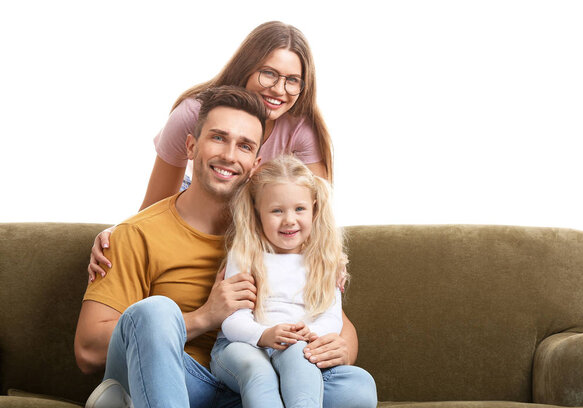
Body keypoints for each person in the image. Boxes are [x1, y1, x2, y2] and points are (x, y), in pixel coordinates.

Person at [74, 86, 377, 408]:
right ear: (191, 145)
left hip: (251, 385)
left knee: (355, 385)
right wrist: (205, 316)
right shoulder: (136, 235)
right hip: (183, 378)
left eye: (244, 146)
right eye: (218, 138)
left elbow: (332, 317)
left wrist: (340, 347)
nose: (230, 155)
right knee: (156, 310)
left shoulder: (272, 234)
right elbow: (88, 352)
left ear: (256, 163)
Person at [88, 20, 333, 282]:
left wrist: (332, 257)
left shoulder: (301, 128)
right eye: (269, 73)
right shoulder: (191, 114)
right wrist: (120, 235)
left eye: (292, 80)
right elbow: (155, 204)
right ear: (247, 67)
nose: (278, 89)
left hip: (257, 205)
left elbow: (316, 211)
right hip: (199, 191)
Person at [210, 155, 374, 408]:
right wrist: (264, 334)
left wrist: (311, 336)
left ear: (314, 207)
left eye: (299, 209)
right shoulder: (245, 255)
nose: (289, 220)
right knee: (259, 373)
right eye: (277, 210)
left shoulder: (323, 259)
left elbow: (331, 317)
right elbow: (233, 320)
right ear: (257, 212)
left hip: (296, 349)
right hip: (242, 345)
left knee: (359, 384)